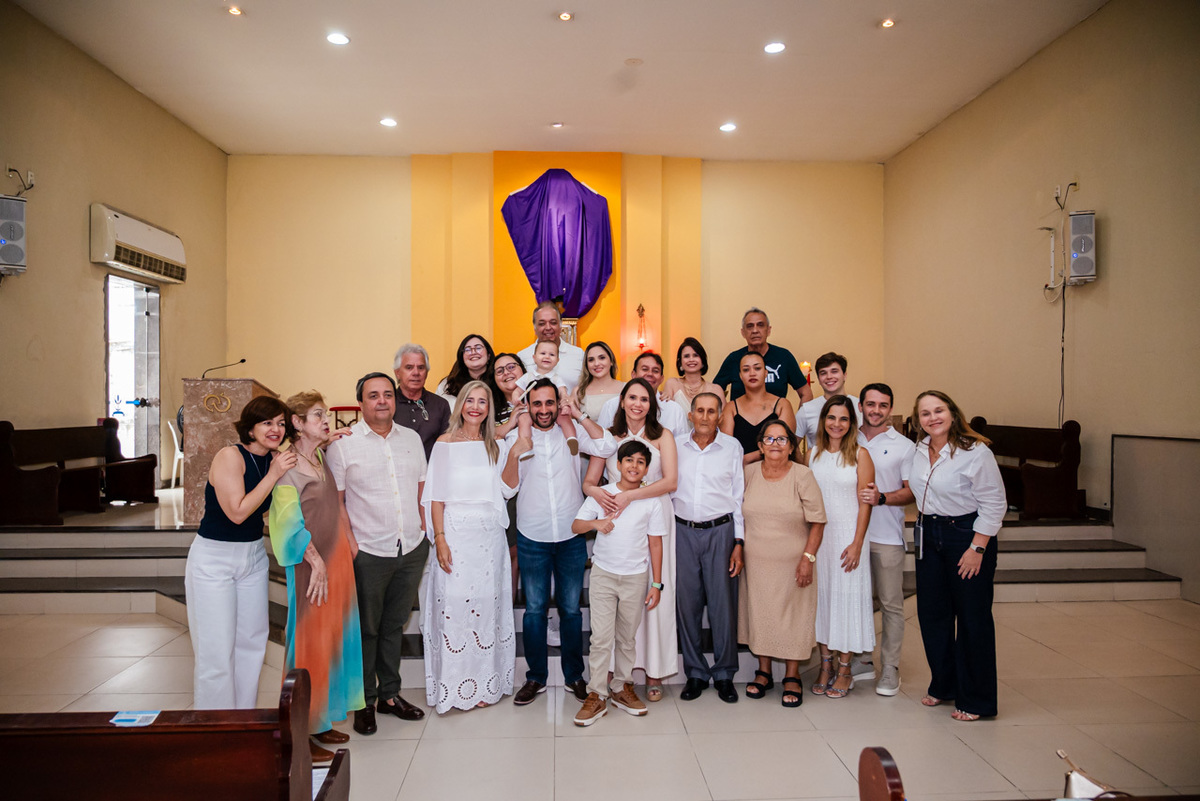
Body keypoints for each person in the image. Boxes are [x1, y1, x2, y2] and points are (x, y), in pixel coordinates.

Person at [326, 373, 428, 735]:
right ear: (361, 403)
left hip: (411, 547)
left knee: (393, 625)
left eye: (388, 394)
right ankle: (364, 702)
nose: (382, 401)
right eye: (374, 395)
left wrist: (424, 532)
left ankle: (390, 695)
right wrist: (351, 545)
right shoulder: (343, 445)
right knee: (367, 629)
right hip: (368, 550)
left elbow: (421, 490)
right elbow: (336, 503)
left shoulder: (412, 439)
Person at [510, 379, 616, 707]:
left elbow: (607, 446)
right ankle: (536, 677)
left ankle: (574, 675)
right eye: (537, 404)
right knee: (535, 610)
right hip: (532, 534)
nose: (544, 410)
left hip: (571, 534)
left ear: (558, 404)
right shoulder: (518, 435)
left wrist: (578, 413)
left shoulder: (571, 431)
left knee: (571, 610)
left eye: (550, 403)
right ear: (529, 405)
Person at [269, 391, 362, 763]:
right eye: (318, 415)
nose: (326, 421)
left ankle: (320, 719)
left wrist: (327, 438)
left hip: (334, 561)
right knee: (306, 644)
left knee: (332, 639)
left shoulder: (317, 455)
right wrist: (316, 561)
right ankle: (298, 730)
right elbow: (288, 522)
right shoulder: (287, 465)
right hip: (311, 567)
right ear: (297, 422)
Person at [186, 396, 296, 710]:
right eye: (267, 422)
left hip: (253, 557)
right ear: (250, 427)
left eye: (281, 423)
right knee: (216, 651)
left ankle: (243, 721)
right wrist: (274, 474)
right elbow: (237, 512)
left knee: (252, 643)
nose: (276, 429)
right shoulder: (230, 456)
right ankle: (215, 729)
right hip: (214, 560)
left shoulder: (272, 459)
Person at [422, 380, 525, 713]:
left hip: (488, 535)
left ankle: (484, 683)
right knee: (454, 608)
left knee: (485, 608)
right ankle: (452, 685)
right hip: (454, 531)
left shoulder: (493, 444)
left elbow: (507, 490)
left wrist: (514, 453)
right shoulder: (445, 443)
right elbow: (435, 497)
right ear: (461, 405)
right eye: (471, 400)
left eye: (483, 401)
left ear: (489, 408)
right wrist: (439, 538)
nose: (476, 406)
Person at [909, 390, 1006, 722]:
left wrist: (977, 548)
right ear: (918, 420)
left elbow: (994, 504)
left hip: (965, 535)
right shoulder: (919, 450)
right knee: (932, 615)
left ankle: (976, 699)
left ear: (952, 413)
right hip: (929, 534)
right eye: (925, 413)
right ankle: (945, 684)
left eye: (938, 411)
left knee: (971, 618)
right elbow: (913, 489)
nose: (932, 418)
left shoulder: (975, 452)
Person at [584, 377, 679, 699]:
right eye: (632, 397)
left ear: (652, 405)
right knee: (619, 603)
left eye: (644, 399)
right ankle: (614, 675)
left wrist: (633, 497)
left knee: (654, 590)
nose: (638, 404)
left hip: (654, 516)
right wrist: (604, 495)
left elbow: (670, 481)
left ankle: (654, 672)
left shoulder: (662, 435)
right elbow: (589, 482)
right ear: (622, 401)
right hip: (616, 518)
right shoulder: (609, 437)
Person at [571, 440, 666, 726]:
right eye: (629, 460)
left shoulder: (650, 500)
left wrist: (657, 584)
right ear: (618, 465)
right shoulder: (603, 495)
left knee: (626, 638)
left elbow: (656, 545)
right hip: (603, 575)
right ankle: (596, 694)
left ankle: (622, 688)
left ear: (646, 468)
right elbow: (576, 526)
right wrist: (596, 524)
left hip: (636, 578)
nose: (634, 466)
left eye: (640, 462)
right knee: (600, 638)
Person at [738, 420, 827, 707]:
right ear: (760, 446)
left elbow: (817, 521)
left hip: (794, 563)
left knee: (793, 618)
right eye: (769, 439)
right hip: (756, 562)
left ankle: (792, 675)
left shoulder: (803, 475)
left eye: (782, 440)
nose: (775, 445)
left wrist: (808, 558)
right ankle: (763, 672)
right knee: (760, 613)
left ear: (791, 446)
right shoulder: (748, 473)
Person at [672, 392, 745, 703]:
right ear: (691, 415)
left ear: (719, 416)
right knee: (686, 606)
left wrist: (738, 542)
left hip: (721, 532)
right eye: (699, 411)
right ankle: (696, 672)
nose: (704, 416)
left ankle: (725, 673)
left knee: (722, 606)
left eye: (711, 411)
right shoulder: (674, 445)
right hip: (682, 531)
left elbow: (738, 497)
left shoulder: (732, 447)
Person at [808, 395, 875, 699]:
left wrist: (857, 543)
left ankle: (845, 669)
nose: (837, 424)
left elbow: (866, 504)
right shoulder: (812, 454)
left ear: (852, 423)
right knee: (822, 602)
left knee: (846, 601)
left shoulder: (861, 455)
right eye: (832, 418)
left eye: (844, 419)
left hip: (849, 537)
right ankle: (825, 665)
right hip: (820, 540)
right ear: (823, 421)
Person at [853, 383, 916, 697]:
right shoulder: (847, 436)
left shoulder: (904, 446)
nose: (876, 410)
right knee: (858, 599)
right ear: (861, 405)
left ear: (890, 408)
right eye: (871, 404)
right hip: (851, 536)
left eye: (883, 405)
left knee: (891, 604)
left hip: (886, 536)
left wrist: (881, 498)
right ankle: (862, 660)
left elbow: (911, 491)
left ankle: (890, 666)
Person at [712, 308, 812, 403]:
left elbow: (806, 392)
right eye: (750, 326)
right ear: (743, 332)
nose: (755, 330)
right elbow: (714, 391)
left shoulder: (784, 357)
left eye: (760, 325)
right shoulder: (734, 359)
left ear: (768, 330)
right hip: (739, 420)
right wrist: (726, 414)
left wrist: (800, 419)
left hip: (776, 420)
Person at [719, 351, 796, 465]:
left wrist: (746, 459)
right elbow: (727, 449)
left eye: (757, 368)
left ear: (766, 373)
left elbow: (784, 445)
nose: (752, 373)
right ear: (740, 375)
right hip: (741, 474)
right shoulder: (731, 408)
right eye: (746, 369)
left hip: (776, 470)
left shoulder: (782, 405)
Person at [596, 351, 689, 434]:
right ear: (633, 374)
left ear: (661, 379)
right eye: (644, 369)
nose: (649, 374)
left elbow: (681, 448)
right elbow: (600, 442)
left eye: (655, 371)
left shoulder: (674, 410)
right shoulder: (611, 406)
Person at [513, 339, 578, 451]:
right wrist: (516, 398)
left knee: (565, 418)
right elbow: (517, 390)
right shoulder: (528, 376)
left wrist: (565, 404)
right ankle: (525, 445)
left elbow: (563, 393)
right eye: (543, 353)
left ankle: (572, 439)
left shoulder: (556, 378)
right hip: (530, 411)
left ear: (557, 360)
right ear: (534, 358)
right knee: (523, 420)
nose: (547, 357)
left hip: (553, 411)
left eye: (552, 354)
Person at [393, 343, 451, 460]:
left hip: (431, 473)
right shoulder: (387, 403)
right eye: (409, 367)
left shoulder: (440, 405)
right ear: (397, 373)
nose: (416, 373)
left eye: (421, 367)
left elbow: (448, 447)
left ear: (427, 372)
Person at [795, 352, 862, 449]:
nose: (829, 376)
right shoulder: (807, 409)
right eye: (823, 373)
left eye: (834, 371)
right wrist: (804, 463)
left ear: (845, 375)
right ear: (818, 379)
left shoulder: (860, 406)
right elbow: (791, 446)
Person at [518, 301, 585, 392]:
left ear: (560, 325)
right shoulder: (522, 357)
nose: (548, 327)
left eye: (553, 323)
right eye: (542, 324)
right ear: (534, 328)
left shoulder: (579, 354)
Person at [663, 338, 722, 431]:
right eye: (686, 356)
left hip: (709, 443)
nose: (691, 359)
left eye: (695, 355)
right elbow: (665, 418)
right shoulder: (672, 384)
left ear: (702, 361)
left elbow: (723, 422)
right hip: (676, 443)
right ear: (680, 362)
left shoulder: (715, 389)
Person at [436, 333, 499, 405]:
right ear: (462, 358)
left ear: (488, 355)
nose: (473, 352)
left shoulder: (499, 382)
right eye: (467, 349)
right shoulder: (447, 385)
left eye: (478, 348)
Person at [573, 341, 624, 422]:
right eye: (591, 360)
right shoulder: (578, 391)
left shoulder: (626, 388)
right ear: (586, 365)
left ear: (611, 361)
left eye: (602, 358)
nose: (596, 363)